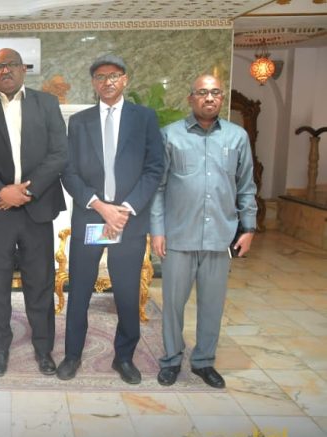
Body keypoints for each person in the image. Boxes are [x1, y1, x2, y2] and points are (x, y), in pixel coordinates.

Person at [0, 48, 68, 377]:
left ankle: (43, 349)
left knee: (40, 282)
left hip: (37, 207)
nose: (5, 71)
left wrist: (26, 192)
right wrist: (1, 191)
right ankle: (1, 349)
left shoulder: (46, 103)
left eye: (11, 65)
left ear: (23, 69)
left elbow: (59, 153)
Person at [60, 54, 164, 384]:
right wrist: (100, 206)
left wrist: (126, 209)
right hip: (91, 218)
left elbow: (154, 168)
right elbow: (68, 172)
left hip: (128, 222)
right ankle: (72, 355)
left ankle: (124, 357)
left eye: (114, 75)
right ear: (93, 83)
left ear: (125, 80)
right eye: (101, 76)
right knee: (79, 289)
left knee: (126, 291)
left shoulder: (144, 118)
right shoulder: (79, 122)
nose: (108, 82)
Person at [151, 74, 257, 389]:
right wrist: (157, 230)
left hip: (219, 238)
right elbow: (158, 188)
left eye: (215, 92)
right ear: (191, 98)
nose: (209, 98)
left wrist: (249, 227)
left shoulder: (237, 137)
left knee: (212, 305)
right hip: (178, 237)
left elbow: (246, 186)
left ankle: (203, 362)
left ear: (221, 98)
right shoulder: (170, 135)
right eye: (202, 92)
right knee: (173, 304)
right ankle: (171, 360)